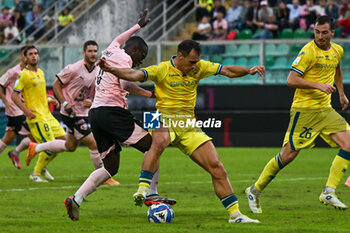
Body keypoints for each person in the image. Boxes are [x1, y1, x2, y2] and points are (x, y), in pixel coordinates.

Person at [97, 39, 265, 223]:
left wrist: (248, 70)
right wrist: (112, 70)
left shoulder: (200, 67)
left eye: (197, 62)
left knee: (217, 167)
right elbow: (135, 74)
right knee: (158, 142)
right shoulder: (162, 69)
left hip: (188, 125)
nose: (195, 66)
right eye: (192, 62)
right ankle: (143, 190)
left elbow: (227, 70)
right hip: (164, 119)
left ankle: (235, 214)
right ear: (180, 57)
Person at [63, 9, 176, 222]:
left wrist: (138, 26)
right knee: (153, 146)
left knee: (111, 167)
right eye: (141, 57)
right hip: (112, 111)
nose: (140, 62)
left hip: (95, 114)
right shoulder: (125, 59)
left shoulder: (111, 49)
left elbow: (118, 38)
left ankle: (76, 198)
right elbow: (125, 82)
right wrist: (149, 93)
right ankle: (151, 193)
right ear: (133, 50)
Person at [245, 16, 350, 213]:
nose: (320, 36)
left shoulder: (337, 50)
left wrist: (342, 94)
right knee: (289, 155)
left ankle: (329, 191)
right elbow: (291, 79)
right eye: (317, 32)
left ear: (332, 33)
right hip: (305, 110)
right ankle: (255, 190)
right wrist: (319, 86)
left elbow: (337, 69)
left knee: (349, 144)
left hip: (325, 110)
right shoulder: (308, 51)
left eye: (324, 32)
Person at [25, 40, 119, 185]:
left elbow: (95, 91)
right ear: (84, 53)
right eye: (90, 51)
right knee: (93, 143)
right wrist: (64, 102)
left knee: (70, 146)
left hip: (83, 112)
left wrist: (91, 101)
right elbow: (57, 84)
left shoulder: (98, 70)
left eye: (95, 51)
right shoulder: (73, 68)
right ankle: (105, 177)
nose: (93, 54)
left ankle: (36, 147)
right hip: (71, 113)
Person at [12, 45, 67, 182]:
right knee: (50, 145)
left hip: (47, 115)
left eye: (36, 53)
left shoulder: (41, 72)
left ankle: (42, 166)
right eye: (30, 54)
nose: (34, 56)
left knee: (63, 143)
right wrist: (26, 111)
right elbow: (14, 96)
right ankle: (35, 173)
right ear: (25, 57)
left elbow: (40, 95)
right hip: (36, 117)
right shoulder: (23, 75)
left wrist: (51, 99)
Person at [0, 46, 33, 169]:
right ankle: (39, 168)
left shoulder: (31, 72)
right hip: (15, 110)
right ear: (21, 56)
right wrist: (5, 101)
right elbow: (0, 83)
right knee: (36, 135)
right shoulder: (13, 71)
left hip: (25, 108)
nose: (28, 57)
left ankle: (14, 153)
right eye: (26, 55)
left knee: (9, 138)